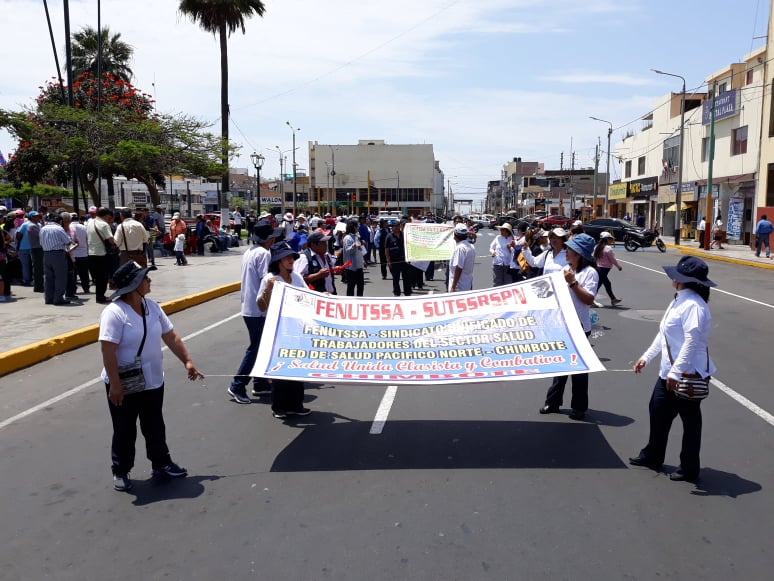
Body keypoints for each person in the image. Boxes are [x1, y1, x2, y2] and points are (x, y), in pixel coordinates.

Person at [99, 261, 204, 491]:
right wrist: (115, 385)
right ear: (134, 284)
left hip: (153, 380)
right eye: (145, 278)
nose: (149, 281)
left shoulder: (152, 307)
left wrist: (187, 361)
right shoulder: (114, 313)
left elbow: (170, 336)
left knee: (155, 424)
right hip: (124, 383)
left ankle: (161, 463)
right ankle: (120, 470)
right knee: (125, 429)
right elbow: (107, 350)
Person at [629, 256, 716, 482]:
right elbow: (664, 334)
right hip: (669, 372)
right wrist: (646, 357)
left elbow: (692, 342)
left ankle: (689, 468)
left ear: (682, 281)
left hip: (688, 373)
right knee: (657, 412)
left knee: (690, 422)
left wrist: (676, 373)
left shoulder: (694, 306)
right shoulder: (679, 300)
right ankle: (652, 456)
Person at [538, 233, 599, 420]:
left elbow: (588, 299)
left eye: (569, 249)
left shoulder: (589, 273)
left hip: (578, 325)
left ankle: (579, 407)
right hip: (561, 323)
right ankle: (553, 402)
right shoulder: (565, 268)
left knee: (578, 368)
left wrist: (572, 282)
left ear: (579, 253)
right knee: (560, 364)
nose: (566, 252)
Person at [228, 219, 283, 404]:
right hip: (259, 309)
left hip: (249, 307)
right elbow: (267, 282)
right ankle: (237, 384)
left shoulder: (250, 252)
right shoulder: (264, 254)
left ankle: (259, 382)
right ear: (269, 239)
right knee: (256, 348)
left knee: (260, 347)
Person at [256, 241, 312, 419]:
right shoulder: (270, 279)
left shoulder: (295, 277)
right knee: (280, 368)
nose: (290, 260)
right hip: (278, 330)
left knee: (296, 366)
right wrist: (268, 289)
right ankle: (279, 406)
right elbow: (261, 306)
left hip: (295, 328)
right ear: (278, 261)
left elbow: (307, 295)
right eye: (286, 257)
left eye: (291, 257)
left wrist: (321, 298)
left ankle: (296, 404)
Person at [39, 213, 74, 305]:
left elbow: (41, 242)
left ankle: (48, 298)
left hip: (46, 254)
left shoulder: (43, 228)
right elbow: (68, 241)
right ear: (60, 221)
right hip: (58, 254)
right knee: (60, 277)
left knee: (48, 277)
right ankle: (58, 298)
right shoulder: (59, 228)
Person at [87, 208, 118, 304]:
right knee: (103, 277)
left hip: (91, 252)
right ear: (105, 216)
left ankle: (100, 295)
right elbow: (111, 240)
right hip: (102, 253)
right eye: (109, 216)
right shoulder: (104, 225)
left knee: (97, 277)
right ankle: (100, 297)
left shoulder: (90, 222)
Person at [593, 232, 622, 306]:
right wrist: (618, 266)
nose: (611, 241)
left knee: (607, 283)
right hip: (604, 269)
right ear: (606, 239)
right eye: (610, 239)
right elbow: (612, 259)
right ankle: (590, 300)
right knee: (598, 285)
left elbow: (594, 257)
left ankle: (613, 299)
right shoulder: (608, 248)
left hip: (598, 267)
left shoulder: (597, 247)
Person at [385, 220, 412, 296]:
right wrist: (388, 260)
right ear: (392, 228)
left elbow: (409, 246)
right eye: (395, 226)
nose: (397, 228)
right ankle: (397, 293)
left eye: (398, 226)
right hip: (394, 261)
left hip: (404, 260)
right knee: (396, 279)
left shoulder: (404, 235)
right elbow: (386, 250)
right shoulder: (389, 236)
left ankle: (407, 293)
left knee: (406, 278)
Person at [449, 223, 476, 292]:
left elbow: (459, 268)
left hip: (459, 286)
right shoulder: (471, 246)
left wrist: (453, 286)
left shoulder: (460, 248)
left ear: (455, 235)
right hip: (467, 283)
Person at [343, 218, 365, 296]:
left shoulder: (356, 236)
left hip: (359, 266)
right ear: (354, 227)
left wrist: (363, 261)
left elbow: (360, 250)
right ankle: (350, 303)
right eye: (357, 226)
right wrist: (354, 245)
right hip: (351, 267)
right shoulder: (347, 238)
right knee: (351, 287)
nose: (358, 228)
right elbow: (348, 251)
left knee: (361, 286)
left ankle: (359, 301)